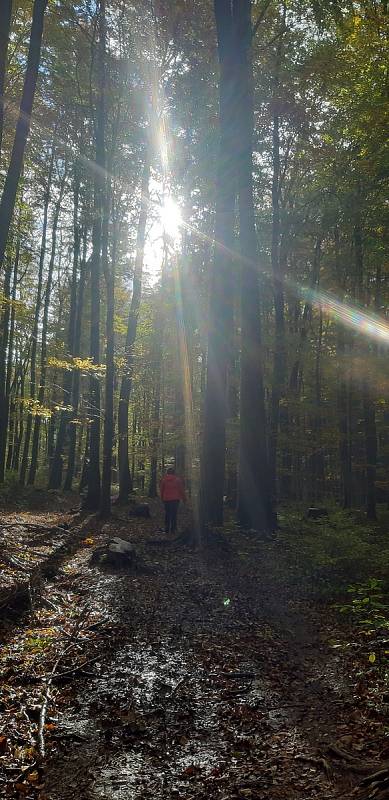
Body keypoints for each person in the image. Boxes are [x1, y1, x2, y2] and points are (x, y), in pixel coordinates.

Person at [159, 467, 186, 535]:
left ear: (167, 472)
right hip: (175, 500)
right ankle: (173, 529)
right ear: (174, 473)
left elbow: (161, 490)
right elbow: (181, 490)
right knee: (174, 514)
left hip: (166, 499)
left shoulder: (164, 480)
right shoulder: (177, 480)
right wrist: (184, 499)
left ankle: (167, 529)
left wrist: (162, 498)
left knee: (167, 514)